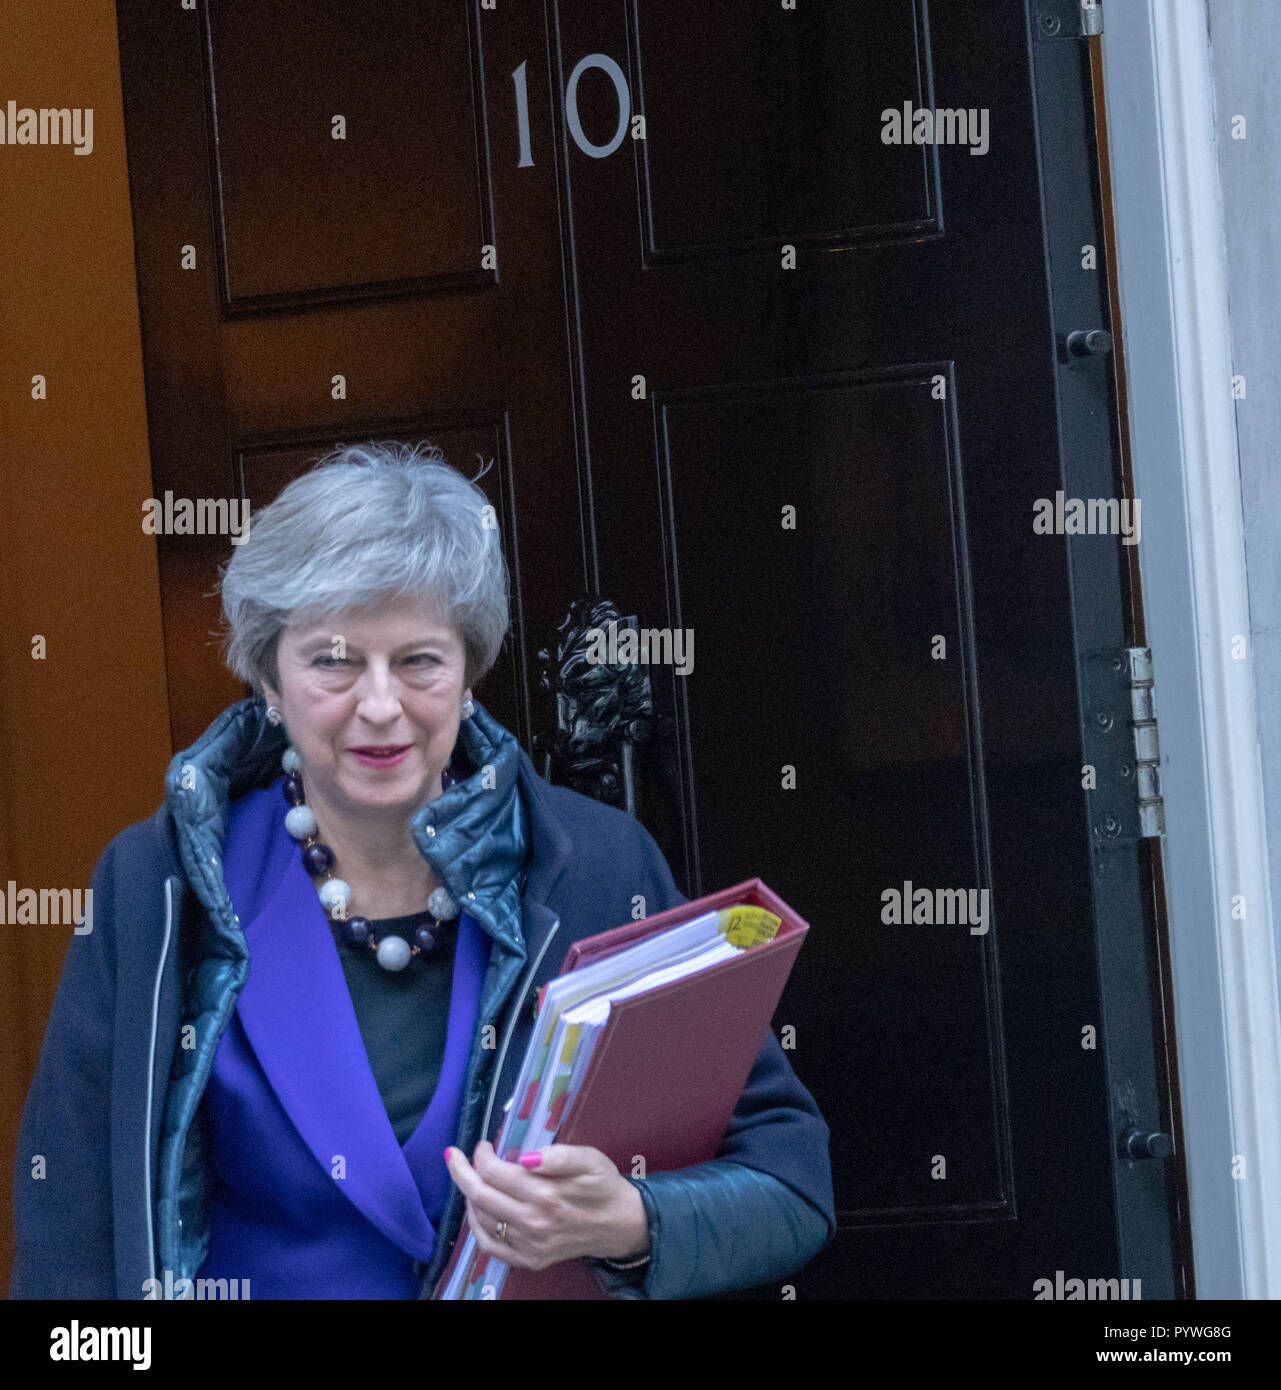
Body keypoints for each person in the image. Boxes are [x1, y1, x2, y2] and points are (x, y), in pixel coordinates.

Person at [10, 441, 835, 1300]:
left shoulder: (593, 863)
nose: (379, 705)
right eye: (332, 660)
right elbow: (69, 1237)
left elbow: (789, 1181)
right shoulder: (161, 883)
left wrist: (629, 1221)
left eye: (418, 660)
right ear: (266, 676)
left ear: (469, 668)